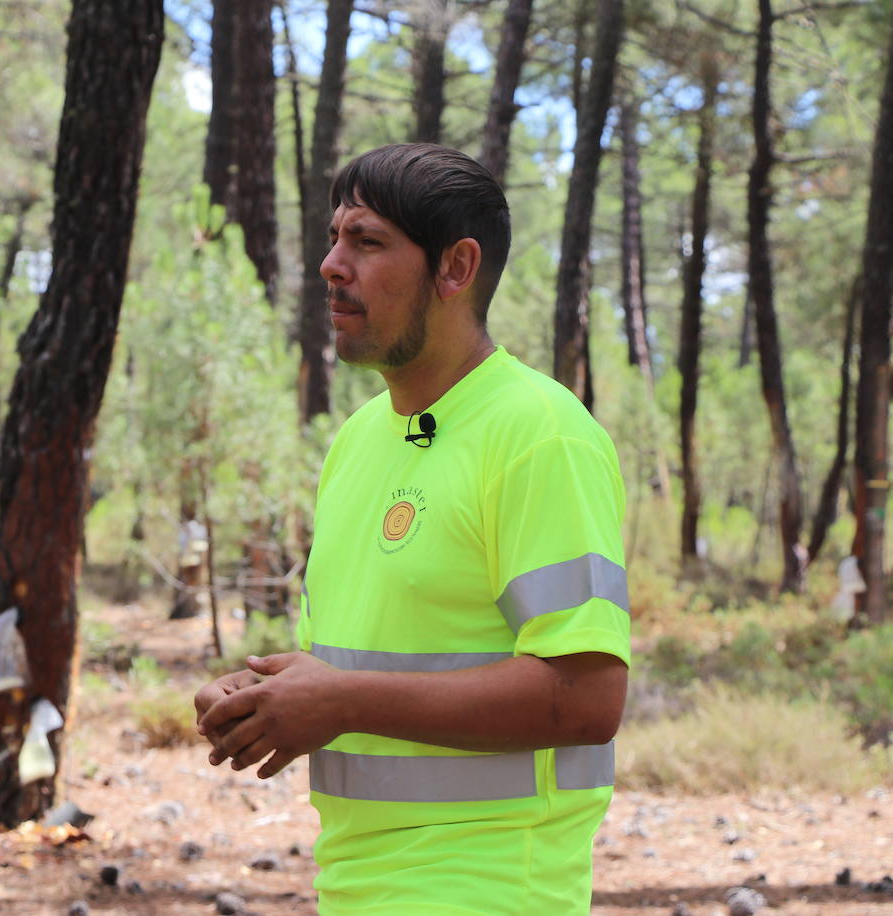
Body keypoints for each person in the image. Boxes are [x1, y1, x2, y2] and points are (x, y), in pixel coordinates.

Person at [194, 143, 630, 915]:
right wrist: (268, 698)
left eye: (366, 242)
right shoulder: (360, 440)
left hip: (489, 889)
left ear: (455, 269)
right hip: (355, 886)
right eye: (334, 239)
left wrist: (344, 702)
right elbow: (365, 666)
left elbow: (588, 697)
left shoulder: (540, 434)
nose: (332, 264)